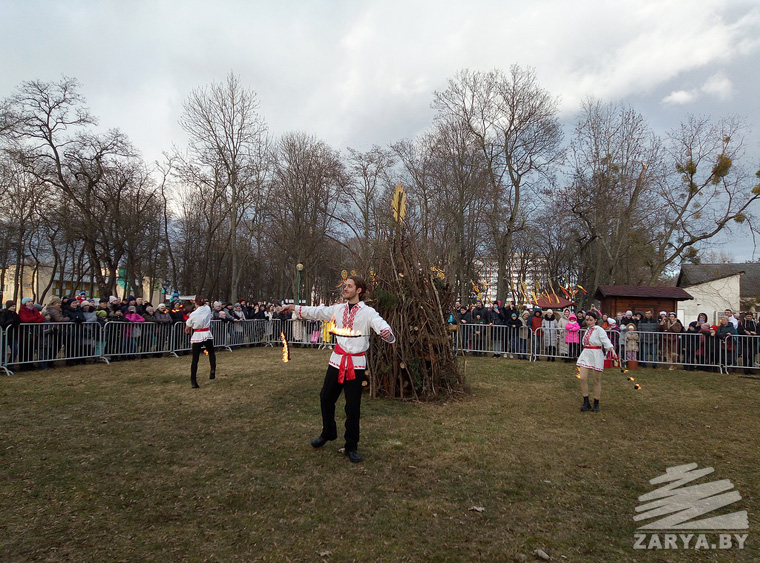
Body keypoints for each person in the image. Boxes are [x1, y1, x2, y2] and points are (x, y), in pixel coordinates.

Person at [282, 276, 395, 464]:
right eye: (345, 286)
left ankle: (351, 445)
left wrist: (386, 333)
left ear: (359, 290)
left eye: (349, 286)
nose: (345, 288)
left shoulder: (368, 312)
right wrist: (294, 307)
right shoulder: (338, 309)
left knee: (352, 407)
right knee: (325, 397)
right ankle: (328, 432)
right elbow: (317, 312)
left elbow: (380, 323)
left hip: (356, 364)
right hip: (336, 361)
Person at [576, 311, 618, 412]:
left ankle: (596, 402)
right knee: (582, 378)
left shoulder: (599, 329)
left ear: (595, 320)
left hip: (596, 354)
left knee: (596, 380)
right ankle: (586, 401)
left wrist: (612, 350)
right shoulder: (587, 330)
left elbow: (605, 340)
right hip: (586, 353)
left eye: (591, 320)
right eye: (587, 320)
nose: (589, 322)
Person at [186, 294, 216, 388]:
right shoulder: (207, 309)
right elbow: (205, 305)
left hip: (198, 335)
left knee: (195, 358)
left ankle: (193, 381)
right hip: (207, 334)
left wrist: (187, 329)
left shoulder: (194, 314)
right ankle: (212, 369)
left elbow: (188, 325)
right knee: (211, 353)